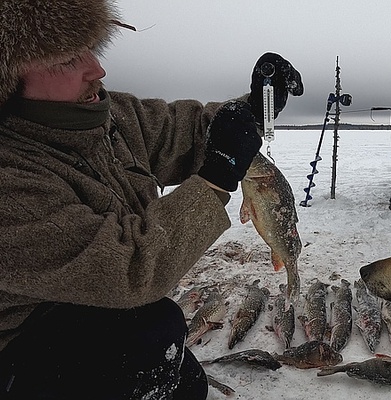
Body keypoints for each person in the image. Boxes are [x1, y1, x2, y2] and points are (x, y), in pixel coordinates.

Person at [0, 1, 303, 399]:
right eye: (68, 59)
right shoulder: (11, 177)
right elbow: (128, 267)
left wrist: (249, 110)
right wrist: (213, 181)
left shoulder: (106, 116)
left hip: (99, 317)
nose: (98, 69)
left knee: (184, 381)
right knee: (149, 332)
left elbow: (186, 130)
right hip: (22, 345)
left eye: (91, 47)